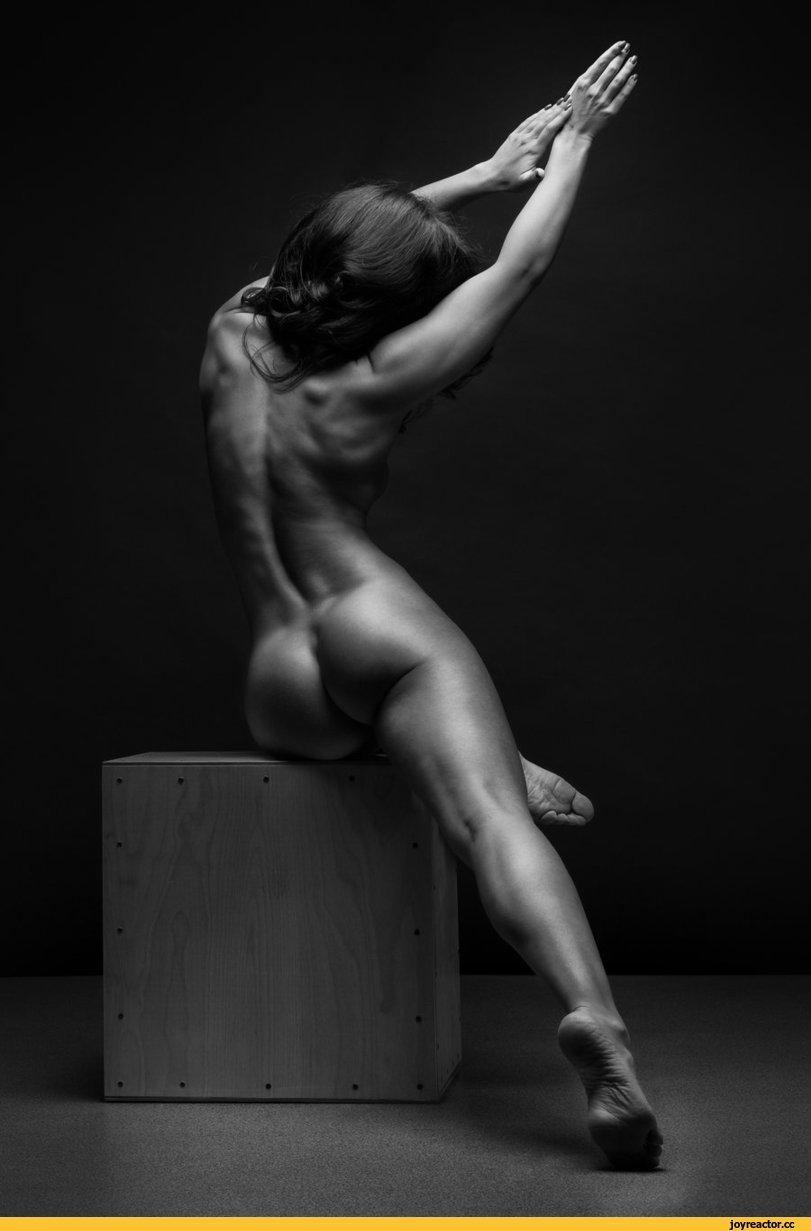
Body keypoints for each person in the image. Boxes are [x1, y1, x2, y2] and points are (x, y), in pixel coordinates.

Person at [200, 41, 663, 1170]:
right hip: (372, 623)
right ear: (399, 300)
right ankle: (596, 1024)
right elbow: (523, 266)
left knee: (408, 744)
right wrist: (572, 147)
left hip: (278, 679)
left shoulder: (232, 326)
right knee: (490, 821)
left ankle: (470, 746)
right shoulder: (380, 377)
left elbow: (333, 245)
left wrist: (478, 173)